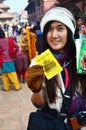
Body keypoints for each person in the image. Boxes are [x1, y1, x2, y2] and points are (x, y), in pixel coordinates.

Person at [26, 7, 86, 129]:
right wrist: (36, 89)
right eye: (49, 30)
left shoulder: (80, 58)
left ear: (69, 32)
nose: (54, 35)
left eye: (60, 28)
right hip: (55, 125)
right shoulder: (41, 62)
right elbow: (39, 105)